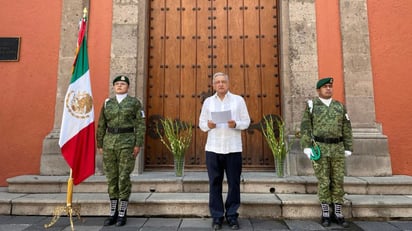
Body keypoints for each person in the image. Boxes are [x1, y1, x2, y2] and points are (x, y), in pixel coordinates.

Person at [199, 72, 251, 230]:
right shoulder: (208, 102)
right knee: (214, 183)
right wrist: (209, 125)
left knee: (234, 183)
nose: (220, 84)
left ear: (228, 83)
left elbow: (247, 122)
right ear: (214, 85)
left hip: (233, 148)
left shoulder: (238, 100)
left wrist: (236, 124)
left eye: (223, 82)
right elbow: (201, 124)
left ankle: (232, 215)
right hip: (213, 148)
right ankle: (217, 216)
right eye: (218, 82)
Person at [299, 77, 353, 228]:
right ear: (318, 90)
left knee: (338, 180)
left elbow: (347, 128)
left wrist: (348, 147)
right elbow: (305, 126)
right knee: (323, 180)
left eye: (330, 86)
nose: (328, 89)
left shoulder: (339, 106)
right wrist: (307, 146)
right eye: (325, 87)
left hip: (337, 148)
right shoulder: (312, 105)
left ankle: (338, 212)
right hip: (320, 147)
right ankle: (325, 213)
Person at [96, 75, 146, 227]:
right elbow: (101, 124)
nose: (119, 86)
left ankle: (122, 213)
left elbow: (141, 125)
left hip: (127, 143)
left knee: (123, 177)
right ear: (113, 86)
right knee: (112, 178)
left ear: (128, 87)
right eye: (117, 84)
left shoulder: (134, 103)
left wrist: (138, 144)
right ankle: (113, 212)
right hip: (109, 143)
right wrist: (100, 144)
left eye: (122, 84)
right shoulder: (107, 104)